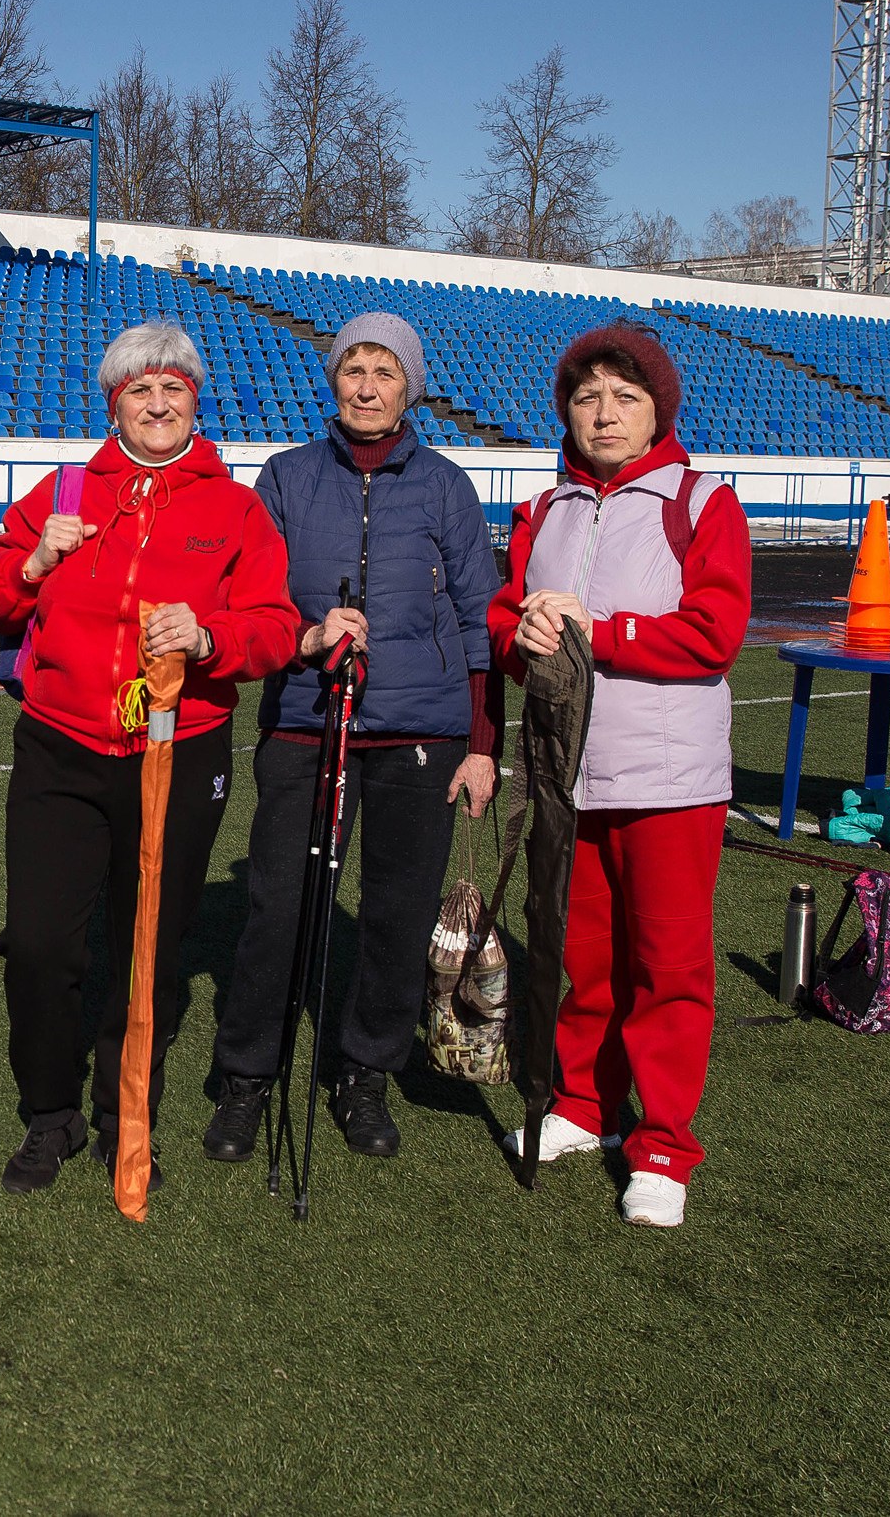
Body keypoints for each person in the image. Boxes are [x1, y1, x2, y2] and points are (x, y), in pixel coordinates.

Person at [0, 321, 300, 1195]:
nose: (158, 403)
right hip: (62, 745)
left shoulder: (235, 507)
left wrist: (210, 636)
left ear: (197, 400)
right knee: (39, 943)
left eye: (174, 388)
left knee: (148, 946)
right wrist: (35, 562)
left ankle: (127, 1113)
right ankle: (50, 1114)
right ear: (113, 402)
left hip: (178, 750)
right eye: (138, 389)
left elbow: (275, 629)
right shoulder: (65, 489)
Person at [204, 313, 504, 1164]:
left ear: (411, 387)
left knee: (397, 914)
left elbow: (482, 621)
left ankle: (365, 1069)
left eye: (385, 372)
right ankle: (246, 1076)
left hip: (424, 732)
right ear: (332, 381)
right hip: (307, 722)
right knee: (278, 909)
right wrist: (306, 629)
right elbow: (250, 599)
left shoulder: (446, 485)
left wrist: (483, 743)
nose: (367, 387)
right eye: (354, 370)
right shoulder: (287, 478)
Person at [485, 321, 752, 1228]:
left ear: (657, 413)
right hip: (570, 771)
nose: (603, 415)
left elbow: (715, 632)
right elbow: (506, 623)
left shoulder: (702, 500)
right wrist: (515, 637)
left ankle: (665, 1146)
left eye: (624, 399)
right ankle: (583, 1107)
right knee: (583, 955)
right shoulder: (543, 510)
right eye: (587, 397)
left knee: (668, 966)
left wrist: (604, 628)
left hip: (669, 777)